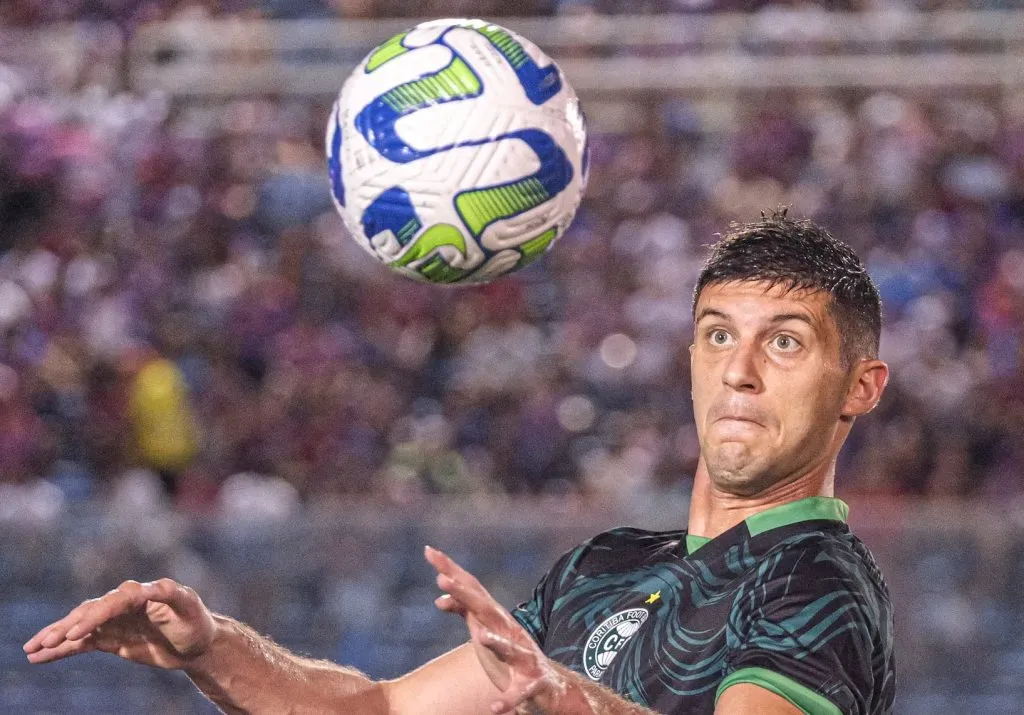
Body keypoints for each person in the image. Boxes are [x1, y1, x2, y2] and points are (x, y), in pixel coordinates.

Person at [24, 212, 895, 715]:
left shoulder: (818, 580)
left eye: (785, 342)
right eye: (717, 334)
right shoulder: (607, 563)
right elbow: (381, 712)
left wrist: (567, 700)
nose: (739, 369)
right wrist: (210, 648)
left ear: (860, 386)